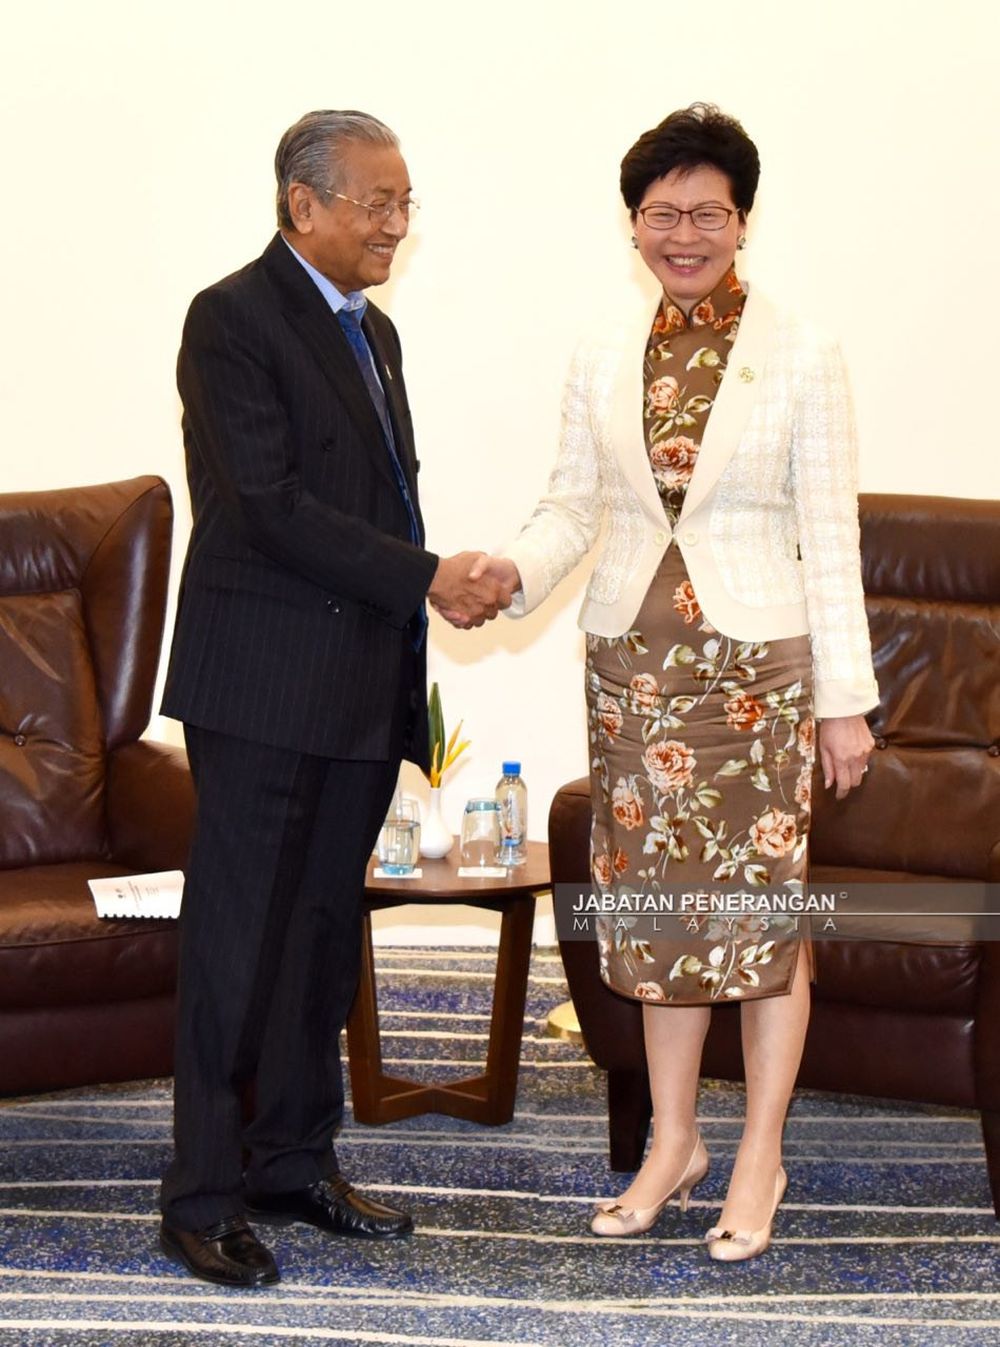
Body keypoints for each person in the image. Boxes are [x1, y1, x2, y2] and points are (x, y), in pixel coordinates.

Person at [477, 104, 878, 1261]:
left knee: (756, 920)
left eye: (706, 214)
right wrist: (510, 571)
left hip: (756, 677)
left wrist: (843, 702)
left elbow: (829, 537)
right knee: (655, 921)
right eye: (662, 216)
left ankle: (757, 1150)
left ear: (742, 220)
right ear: (634, 225)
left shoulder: (801, 349)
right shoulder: (602, 351)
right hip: (633, 672)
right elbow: (572, 508)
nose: (683, 235)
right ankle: (672, 1142)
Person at [158, 109, 512, 1288]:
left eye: (406, 203)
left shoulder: (380, 336)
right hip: (261, 688)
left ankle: (293, 1161)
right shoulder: (230, 320)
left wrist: (421, 598)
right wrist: (427, 577)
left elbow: (378, 505)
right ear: (302, 204)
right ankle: (202, 1194)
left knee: (319, 941)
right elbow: (266, 505)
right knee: (236, 944)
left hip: (360, 688)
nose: (395, 225)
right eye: (375, 202)